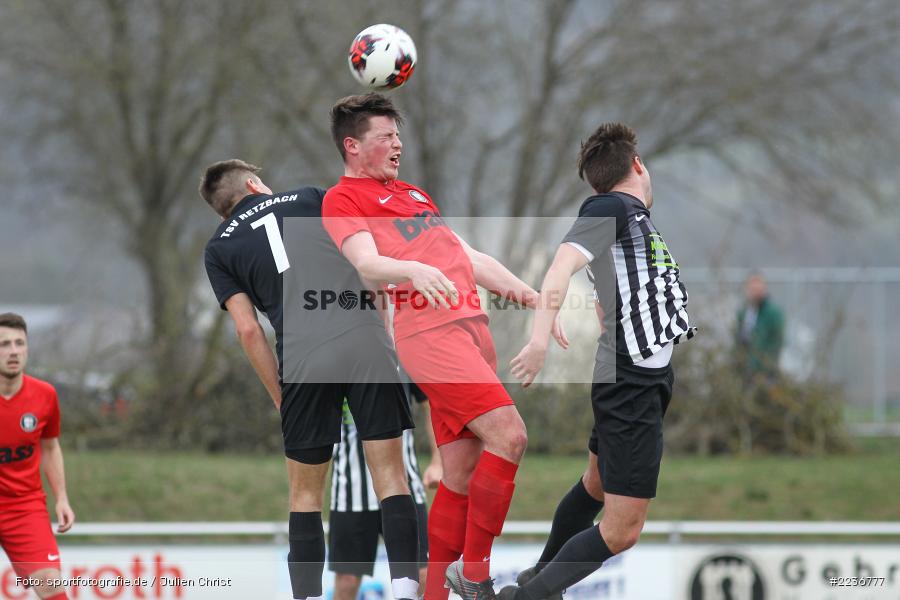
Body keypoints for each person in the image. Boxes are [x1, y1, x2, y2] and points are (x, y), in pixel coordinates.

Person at [321, 93, 565, 600]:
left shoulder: (413, 194)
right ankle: (474, 575)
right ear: (352, 145)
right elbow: (367, 264)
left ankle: (434, 594)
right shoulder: (342, 199)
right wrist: (411, 269)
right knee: (511, 436)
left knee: (459, 473)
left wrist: (531, 295)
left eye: (397, 135)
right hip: (429, 334)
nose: (397, 144)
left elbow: (465, 255)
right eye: (385, 136)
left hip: (470, 328)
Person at [200, 161, 421, 600]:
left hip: (301, 357)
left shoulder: (218, 248)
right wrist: (382, 334)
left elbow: (248, 330)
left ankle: (306, 597)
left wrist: (281, 396)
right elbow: (366, 263)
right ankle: (405, 590)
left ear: (221, 209)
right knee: (392, 478)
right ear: (254, 184)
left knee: (304, 497)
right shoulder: (311, 197)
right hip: (362, 340)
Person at [504, 123, 695, 599]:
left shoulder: (632, 218)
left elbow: (615, 286)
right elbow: (560, 267)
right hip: (632, 385)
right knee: (621, 529)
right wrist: (539, 340)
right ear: (637, 165)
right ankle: (529, 596)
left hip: (639, 379)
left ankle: (537, 577)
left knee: (595, 482)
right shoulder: (611, 206)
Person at [329, 380, 440, 600]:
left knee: (422, 573)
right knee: (347, 580)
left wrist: (438, 460)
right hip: (350, 488)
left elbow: (432, 403)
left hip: (404, 483)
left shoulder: (402, 351)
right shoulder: (332, 355)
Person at [0, 312, 75, 600]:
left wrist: (62, 498)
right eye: (4, 344)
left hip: (24, 506)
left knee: (50, 583)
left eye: (19, 343)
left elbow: (50, 446)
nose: (14, 351)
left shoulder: (44, 396)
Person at [735, 272, 784, 382]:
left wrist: (765, 365)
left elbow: (776, 342)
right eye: (752, 289)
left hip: (765, 372)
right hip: (745, 371)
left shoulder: (773, 313)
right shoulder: (744, 312)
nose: (755, 292)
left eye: (758, 289)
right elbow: (739, 340)